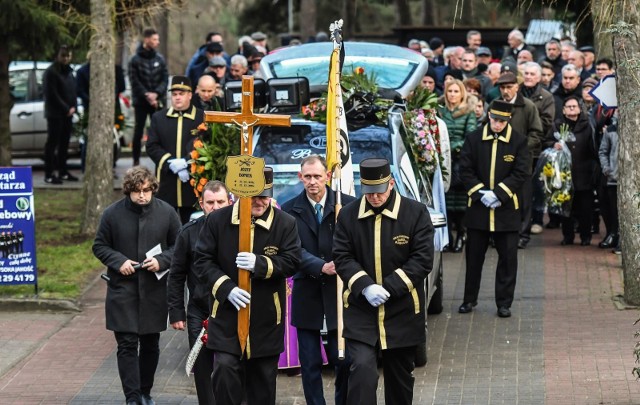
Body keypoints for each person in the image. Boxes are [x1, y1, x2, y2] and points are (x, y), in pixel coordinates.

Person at [193, 167, 301, 405]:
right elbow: (202, 261)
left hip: (266, 319)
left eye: (265, 195)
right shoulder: (217, 221)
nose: (261, 202)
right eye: (255, 196)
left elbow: (293, 261)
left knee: (262, 382)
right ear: (240, 194)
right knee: (224, 370)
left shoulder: (285, 223)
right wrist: (226, 288)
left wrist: (261, 264)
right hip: (226, 316)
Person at [332, 158, 433, 405]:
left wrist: (388, 287)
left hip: (402, 310)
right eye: (369, 192)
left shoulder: (415, 213)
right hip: (361, 309)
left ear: (391, 184)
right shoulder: (347, 215)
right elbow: (342, 256)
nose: (374, 198)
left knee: (399, 380)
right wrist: (365, 286)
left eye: (379, 191)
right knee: (363, 370)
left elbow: (422, 260)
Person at [92, 166, 181, 405]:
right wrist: (118, 261)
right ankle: (132, 398)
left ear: (153, 189)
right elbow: (99, 246)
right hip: (123, 288)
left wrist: (161, 261)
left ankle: (145, 391)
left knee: (151, 344)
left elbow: (179, 246)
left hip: (154, 289)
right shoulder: (112, 214)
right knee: (127, 344)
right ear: (128, 191)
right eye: (136, 191)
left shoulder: (167, 212)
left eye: (146, 190)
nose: (142, 195)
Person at [280, 155, 356, 405]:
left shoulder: (346, 205)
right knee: (310, 361)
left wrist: (340, 264)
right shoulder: (290, 209)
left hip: (339, 292)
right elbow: (291, 250)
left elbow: (355, 244)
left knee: (341, 358)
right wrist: (320, 266)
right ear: (300, 177)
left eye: (317, 176)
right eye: (307, 177)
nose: (312, 182)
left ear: (328, 176)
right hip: (307, 291)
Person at [457, 100, 531, 318]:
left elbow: (521, 171)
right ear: (488, 116)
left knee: (508, 259)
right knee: (473, 258)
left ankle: (504, 303)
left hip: (506, 210)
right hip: (479, 209)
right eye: (494, 119)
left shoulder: (519, 142)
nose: (497, 124)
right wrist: (482, 194)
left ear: (508, 120)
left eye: (501, 121)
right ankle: (469, 299)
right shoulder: (473, 139)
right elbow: (465, 169)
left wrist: (499, 193)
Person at [168, 180, 231, 405]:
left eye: (220, 202)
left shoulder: (241, 232)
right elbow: (176, 274)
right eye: (210, 202)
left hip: (231, 309)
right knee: (202, 367)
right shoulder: (188, 233)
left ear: (230, 201)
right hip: (200, 310)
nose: (215, 207)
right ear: (201, 204)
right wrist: (176, 312)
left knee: (231, 366)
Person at [145, 75, 204, 224]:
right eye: (174, 94)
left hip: (192, 184)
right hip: (166, 183)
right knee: (164, 225)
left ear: (190, 95)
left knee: (191, 226)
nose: (177, 98)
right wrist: (170, 162)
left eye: (181, 94)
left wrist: (186, 162)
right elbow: (152, 145)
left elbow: (206, 146)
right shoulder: (159, 118)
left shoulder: (201, 117)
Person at [549, 96, 597, 246]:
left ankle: (585, 236)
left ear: (579, 108)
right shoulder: (557, 125)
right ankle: (567, 236)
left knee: (585, 209)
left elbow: (594, 147)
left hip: (584, 172)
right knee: (566, 209)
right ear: (563, 110)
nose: (571, 109)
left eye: (573, 106)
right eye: (568, 107)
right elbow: (546, 141)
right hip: (564, 174)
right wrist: (554, 144)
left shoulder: (588, 124)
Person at [438, 79, 477, 252]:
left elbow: (470, 136)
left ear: (462, 93)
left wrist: (449, 146)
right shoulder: (440, 111)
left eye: (456, 91)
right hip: (443, 162)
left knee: (460, 201)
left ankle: (461, 234)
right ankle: (448, 238)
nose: (452, 94)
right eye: (450, 91)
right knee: (445, 201)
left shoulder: (469, 112)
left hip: (461, 162)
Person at [129, 27, 169, 166]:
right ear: (146, 40)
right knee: (138, 131)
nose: (157, 42)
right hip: (141, 102)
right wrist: (147, 95)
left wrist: (156, 94)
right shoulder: (135, 60)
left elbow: (164, 79)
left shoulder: (160, 59)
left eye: (158, 39)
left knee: (159, 130)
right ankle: (135, 160)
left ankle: (161, 160)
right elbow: (134, 81)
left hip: (157, 101)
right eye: (154, 39)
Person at [43, 45, 77, 184]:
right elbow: (51, 94)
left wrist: (73, 106)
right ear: (57, 56)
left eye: (68, 56)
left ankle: (63, 171)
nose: (66, 59)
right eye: (63, 56)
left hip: (68, 114)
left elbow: (73, 90)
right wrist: (65, 108)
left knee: (64, 144)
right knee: (52, 143)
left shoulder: (69, 72)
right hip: (55, 114)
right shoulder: (51, 72)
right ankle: (49, 173)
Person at [598, 115, 620, 253]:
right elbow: (603, 151)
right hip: (613, 178)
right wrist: (607, 169)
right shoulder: (611, 130)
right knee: (613, 210)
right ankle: (613, 234)